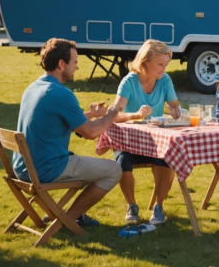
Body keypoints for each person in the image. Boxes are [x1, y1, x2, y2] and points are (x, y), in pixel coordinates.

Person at [13, 38, 122, 227]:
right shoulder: (62, 94)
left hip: (22, 167)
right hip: (46, 168)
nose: (77, 68)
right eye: (75, 63)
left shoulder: (34, 87)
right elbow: (90, 132)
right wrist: (111, 114)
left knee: (94, 168)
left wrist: (90, 114)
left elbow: (57, 119)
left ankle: (64, 216)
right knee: (113, 170)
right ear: (62, 64)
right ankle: (69, 219)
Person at [109, 40, 182, 225]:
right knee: (122, 160)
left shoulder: (164, 80)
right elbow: (113, 114)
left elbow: (175, 106)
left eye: (166, 64)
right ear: (145, 62)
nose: (163, 69)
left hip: (154, 142)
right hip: (129, 141)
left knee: (166, 157)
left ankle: (159, 206)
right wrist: (135, 115)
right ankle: (132, 205)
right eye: (159, 64)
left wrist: (175, 110)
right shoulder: (130, 81)